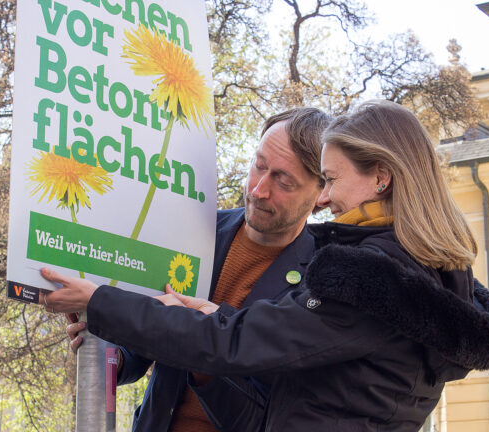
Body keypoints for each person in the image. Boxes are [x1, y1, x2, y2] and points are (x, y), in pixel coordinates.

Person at [42, 100, 489, 431]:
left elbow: (238, 343)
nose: (259, 189)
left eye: (325, 181)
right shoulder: (430, 279)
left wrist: (102, 301)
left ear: (381, 178)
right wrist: (120, 343)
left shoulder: (367, 277)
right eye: (257, 166)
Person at [64, 107, 332, 431]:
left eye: (284, 181)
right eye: (258, 165)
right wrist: (110, 352)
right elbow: (140, 343)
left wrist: (202, 348)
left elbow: (269, 416)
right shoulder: (195, 232)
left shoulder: (321, 283)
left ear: (321, 195)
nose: (259, 189)